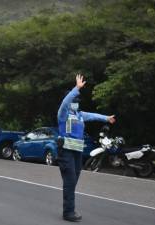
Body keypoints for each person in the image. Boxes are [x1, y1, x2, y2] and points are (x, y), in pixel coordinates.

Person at [57, 74, 116, 222]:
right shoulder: (63, 113)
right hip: (66, 152)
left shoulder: (80, 115)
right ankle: (69, 212)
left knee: (73, 181)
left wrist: (106, 118)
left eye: (77, 100)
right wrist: (77, 88)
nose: (76, 102)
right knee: (70, 181)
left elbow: (94, 115)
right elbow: (65, 102)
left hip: (77, 152)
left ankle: (68, 208)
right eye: (74, 100)